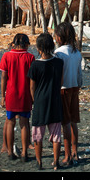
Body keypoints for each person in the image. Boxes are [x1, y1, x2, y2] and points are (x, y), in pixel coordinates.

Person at [28, 33, 64, 170]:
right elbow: (61, 82)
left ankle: (39, 162)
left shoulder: (35, 65)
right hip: (55, 100)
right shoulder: (59, 63)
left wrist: (34, 100)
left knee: (38, 134)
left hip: (40, 102)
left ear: (38, 48)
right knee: (56, 134)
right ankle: (56, 162)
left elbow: (32, 86)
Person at [0, 33, 35, 162]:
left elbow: (4, 77)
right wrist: (33, 97)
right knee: (24, 124)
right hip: (25, 95)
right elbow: (32, 81)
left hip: (11, 95)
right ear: (26, 44)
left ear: (13, 43)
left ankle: (9, 151)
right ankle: (25, 152)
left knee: (10, 122)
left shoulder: (7, 56)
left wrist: (2, 96)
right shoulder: (30, 57)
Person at [54, 22, 83, 166]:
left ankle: (66, 155)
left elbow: (57, 75)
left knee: (64, 123)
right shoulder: (77, 52)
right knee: (73, 122)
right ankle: (75, 151)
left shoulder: (59, 53)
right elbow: (79, 74)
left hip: (63, 89)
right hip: (75, 88)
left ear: (60, 37)